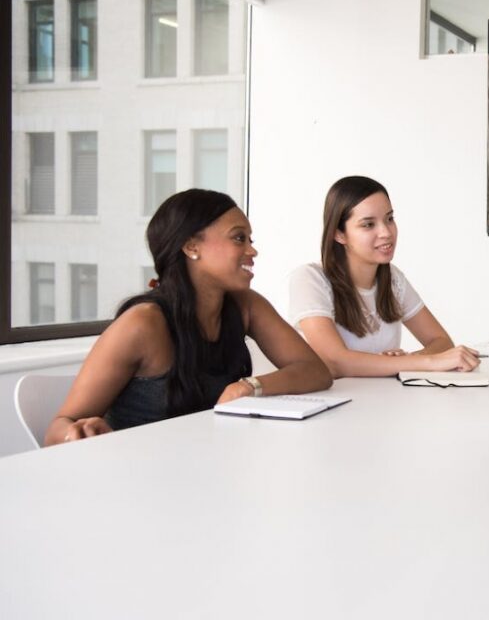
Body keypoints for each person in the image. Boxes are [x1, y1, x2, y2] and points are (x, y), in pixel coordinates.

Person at [45, 189, 332, 445]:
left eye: (250, 239)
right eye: (238, 238)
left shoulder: (246, 305)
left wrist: (249, 386)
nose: (252, 250)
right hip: (140, 479)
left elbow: (315, 371)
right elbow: (57, 430)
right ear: (191, 246)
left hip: (206, 468)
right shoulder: (142, 324)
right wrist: (77, 433)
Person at [289, 175, 480, 377]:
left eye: (389, 219)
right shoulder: (310, 279)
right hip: (335, 404)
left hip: (384, 401)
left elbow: (441, 342)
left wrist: (404, 362)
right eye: (368, 224)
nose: (386, 232)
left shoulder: (393, 279)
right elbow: (336, 361)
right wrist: (419, 362)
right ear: (339, 234)